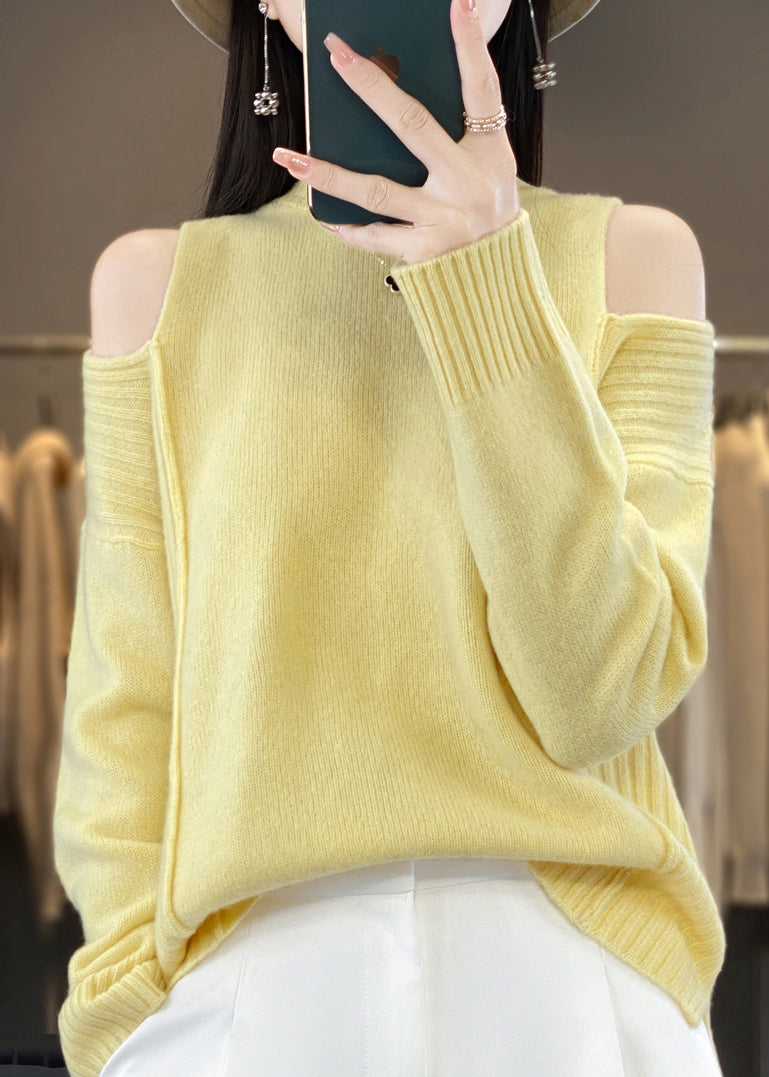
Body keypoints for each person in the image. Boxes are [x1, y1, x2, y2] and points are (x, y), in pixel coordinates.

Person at [52, 0, 727, 1073]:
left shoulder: (633, 261)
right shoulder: (157, 287)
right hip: (248, 985)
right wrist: (127, 1006)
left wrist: (486, 278)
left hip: (573, 976)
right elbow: (124, 703)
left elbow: (599, 692)